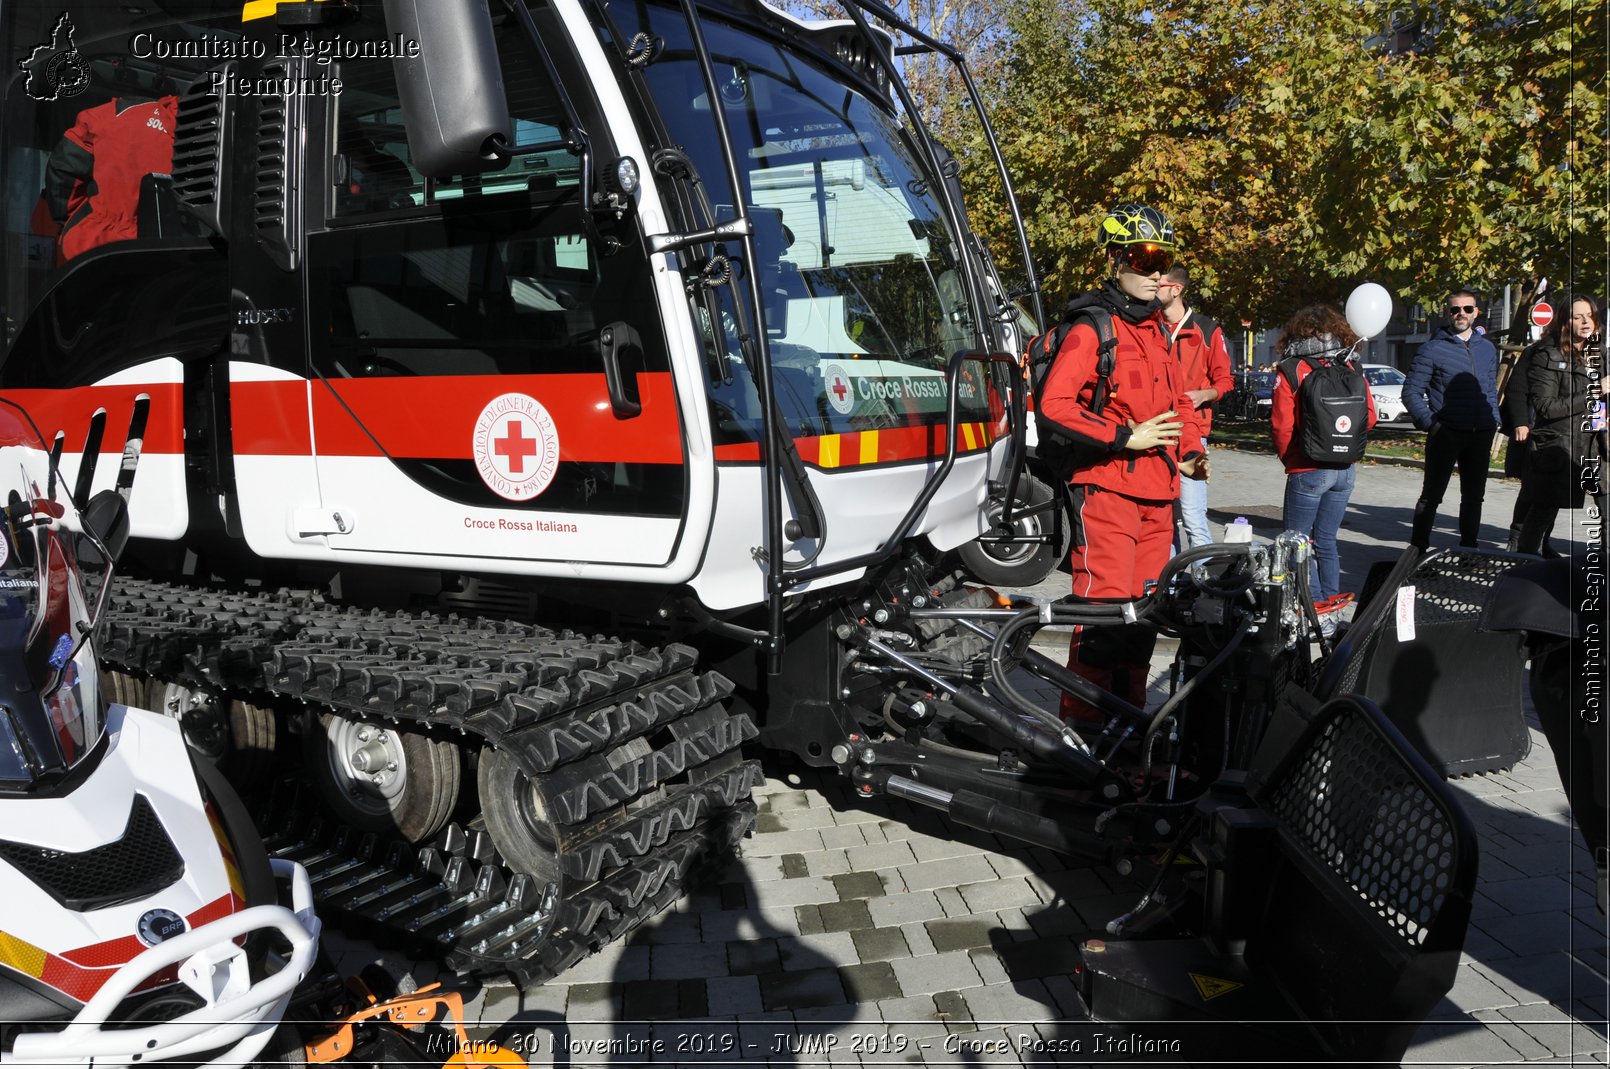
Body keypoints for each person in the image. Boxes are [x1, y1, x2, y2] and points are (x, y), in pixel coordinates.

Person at [1038, 204, 1206, 720]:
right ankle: (1084, 731)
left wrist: (1191, 450)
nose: (1156, 271)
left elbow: (1179, 403)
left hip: (1159, 496)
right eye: (1143, 257)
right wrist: (1122, 437)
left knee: (1144, 616)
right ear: (1117, 261)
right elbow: (1053, 405)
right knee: (1105, 616)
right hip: (1106, 490)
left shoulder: (1159, 331)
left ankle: (1129, 724)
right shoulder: (1093, 328)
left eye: (1164, 259)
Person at [1270, 305, 1377, 607]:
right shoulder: (1351, 365)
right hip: (1345, 468)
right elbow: (1369, 417)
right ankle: (1333, 599)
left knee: (1297, 541)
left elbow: (1281, 426)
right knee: (1327, 539)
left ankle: (1315, 603)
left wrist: (1292, 459)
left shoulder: (1292, 369)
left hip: (1307, 467)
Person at [1404, 288, 1501, 549]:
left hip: (1479, 433)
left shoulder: (1488, 349)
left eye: (1467, 309)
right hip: (1446, 433)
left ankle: (1469, 551)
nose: (1461, 314)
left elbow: (1490, 389)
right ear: (1448, 313)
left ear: (1476, 313)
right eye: (1455, 309)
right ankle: (1417, 553)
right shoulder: (1432, 349)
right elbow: (1411, 392)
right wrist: (1432, 425)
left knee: (1473, 498)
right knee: (1431, 497)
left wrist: (1494, 420)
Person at [1515, 294, 1607, 554]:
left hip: (1595, 445)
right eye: (1577, 317)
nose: (1586, 322)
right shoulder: (1547, 354)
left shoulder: (1600, 353)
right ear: (1565, 322)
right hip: (1559, 445)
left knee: (1608, 511)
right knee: (1543, 512)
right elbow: (1546, 407)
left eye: (1589, 315)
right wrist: (1594, 391)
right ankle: (1525, 567)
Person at [44, 94, 178, 262]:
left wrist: (79, 219)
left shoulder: (113, 114)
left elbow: (64, 166)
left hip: (93, 246)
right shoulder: (213, 134)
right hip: (165, 255)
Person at [1157, 265, 1233, 549]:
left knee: (1192, 516)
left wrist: (1203, 395)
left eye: (1160, 284)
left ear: (1176, 290)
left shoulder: (1207, 329)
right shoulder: (1149, 326)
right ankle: (1169, 586)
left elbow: (1225, 381)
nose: (1153, 287)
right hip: (1156, 431)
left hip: (1192, 432)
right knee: (1164, 517)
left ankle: (1204, 581)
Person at [1501, 338, 1558, 555]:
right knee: (1532, 488)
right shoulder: (1537, 351)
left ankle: (1543, 540)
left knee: (1555, 491)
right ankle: (1517, 539)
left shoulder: (1589, 353)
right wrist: (1520, 422)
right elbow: (1516, 388)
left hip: (1568, 434)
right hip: (1537, 429)